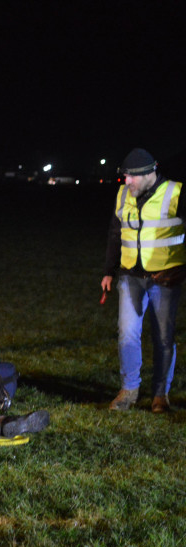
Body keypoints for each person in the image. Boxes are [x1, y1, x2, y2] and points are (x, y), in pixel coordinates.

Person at [101, 148, 184, 413]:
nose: (127, 182)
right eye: (125, 177)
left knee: (163, 338)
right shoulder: (123, 194)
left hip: (165, 280)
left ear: (150, 173)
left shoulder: (176, 193)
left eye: (131, 177)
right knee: (127, 334)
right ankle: (129, 391)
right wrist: (108, 270)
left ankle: (160, 395)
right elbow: (117, 232)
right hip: (130, 276)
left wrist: (181, 270)